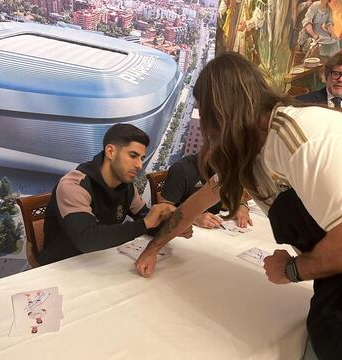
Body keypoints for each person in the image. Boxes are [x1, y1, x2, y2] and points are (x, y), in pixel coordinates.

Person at [135, 52, 342, 359]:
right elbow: (195, 205)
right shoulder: (251, 146)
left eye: (207, 117)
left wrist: (292, 269)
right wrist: (153, 248)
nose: (207, 130)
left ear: (223, 111)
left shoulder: (300, 137)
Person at [38, 124, 191, 265]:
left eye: (142, 158)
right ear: (110, 151)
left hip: (100, 260)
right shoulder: (75, 185)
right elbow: (86, 240)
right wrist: (146, 223)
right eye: (133, 155)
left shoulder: (127, 187)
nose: (139, 165)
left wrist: (173, 225)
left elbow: (147, 221)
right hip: (61, 267)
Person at [159, 153, 252, 228]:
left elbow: (232, 195)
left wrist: (241, 205)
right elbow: (162, 211)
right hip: (182, 234)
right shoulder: (182, 169)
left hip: (211, 233)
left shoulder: (228, 168)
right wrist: (193, 217)